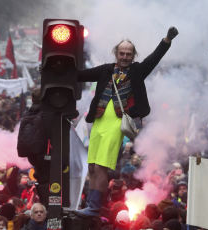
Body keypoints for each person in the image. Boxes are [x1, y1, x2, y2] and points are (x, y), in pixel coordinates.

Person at [74, 26, 178, 217]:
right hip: (98, 120)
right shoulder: (106, 70)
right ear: (116, 53)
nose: (124, 57)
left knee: (101, 166)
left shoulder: (137, 71)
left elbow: (154, 58)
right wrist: (51, 68)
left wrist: (167, 41)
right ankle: (91, 203)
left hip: (117, 122)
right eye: (122, 53)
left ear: (133, 55)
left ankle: (95, 207)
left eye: (128, 54)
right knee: (92, 166)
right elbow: (80, 74)